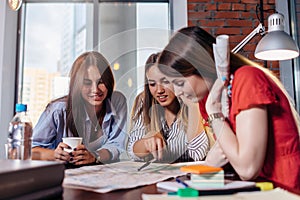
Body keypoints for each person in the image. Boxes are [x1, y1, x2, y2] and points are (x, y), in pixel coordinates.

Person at [158, 26, 300, 189]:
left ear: (203, 68)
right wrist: (210, 162)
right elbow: (227, 152)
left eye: (180, 83)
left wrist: (214, 112)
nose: (176, 93)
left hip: (285, 188)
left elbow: (247, 168)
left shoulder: (247, 80)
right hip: (254, 187)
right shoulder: (207, 99)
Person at [32, 51, 127, 165]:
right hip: (63, 174)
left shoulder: (117, 101)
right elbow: (30, 150)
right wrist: (54, 155)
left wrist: (94, 156)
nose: (95, 90)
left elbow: (116, 145)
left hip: (100, 174)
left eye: (101, 82)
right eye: (87, 83)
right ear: (77, 85)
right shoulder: (58, 110)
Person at [127, 53, 209, 163]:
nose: (159, 90)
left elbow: (198, 153)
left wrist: (193, 105)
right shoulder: (145, 101)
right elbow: (132, 151)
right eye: (152, 84)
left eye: (165, 81)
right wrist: (147, 142)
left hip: (186, 176)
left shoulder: (190, 101)